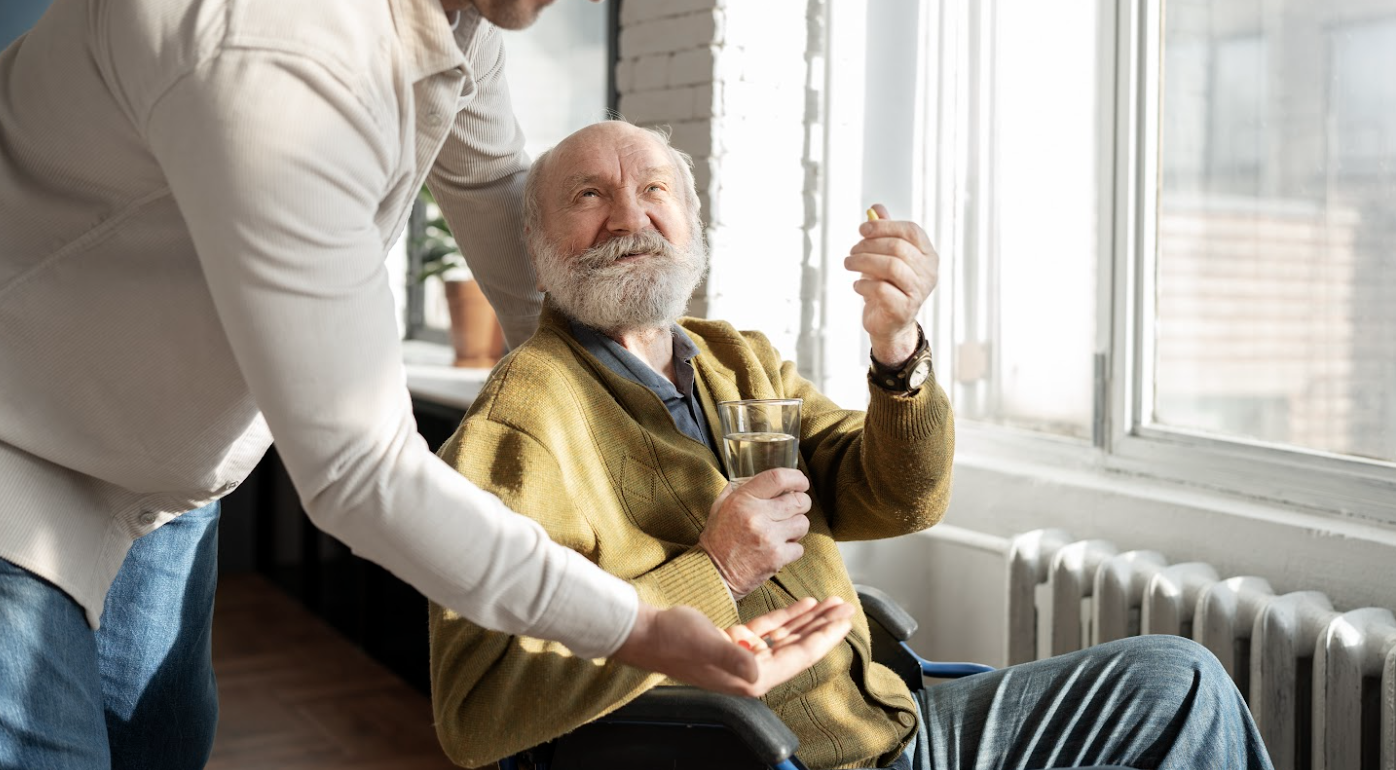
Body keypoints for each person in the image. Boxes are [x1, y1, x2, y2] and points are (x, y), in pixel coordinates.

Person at [0, 0, 854, 767]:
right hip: (22, 452)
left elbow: (497, 201)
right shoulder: (277, 45)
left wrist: (641, 397)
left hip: (155, 483)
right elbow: (358, 470)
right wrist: (639, 622)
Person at [428, 119, 1276, 770]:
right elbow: (475, 708)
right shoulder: (524, 418)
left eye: (654, 189)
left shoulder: (734, 358)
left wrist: (897, 347)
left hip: (891, 720)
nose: (629, 217)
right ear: (537, 250)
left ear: (689, 222)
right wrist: (715, 573)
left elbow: (901, 497)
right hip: (780, 755)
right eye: (588, 196)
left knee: (1179, 681)